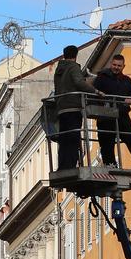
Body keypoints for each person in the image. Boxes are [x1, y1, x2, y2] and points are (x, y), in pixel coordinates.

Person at [92, 51, 131, 170]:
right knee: (107, 142)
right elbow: (93, 94)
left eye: (119, 66)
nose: (116, 67)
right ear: (111, 63)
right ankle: (110, 166)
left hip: (122, 115)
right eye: (114, 65)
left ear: (123, 66)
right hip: (106, 115)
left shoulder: (126, 80)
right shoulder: (102, 78)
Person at [53, 44, 103, 172]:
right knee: (73, 138)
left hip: (61, 108)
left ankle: (63, 166)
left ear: (64, 55)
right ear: (76, 55)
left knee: (64, 140)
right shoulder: (73, 67)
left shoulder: (59, 71)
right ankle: (70, 166)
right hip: (73, 107)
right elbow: (78, 82)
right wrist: (95, 91)